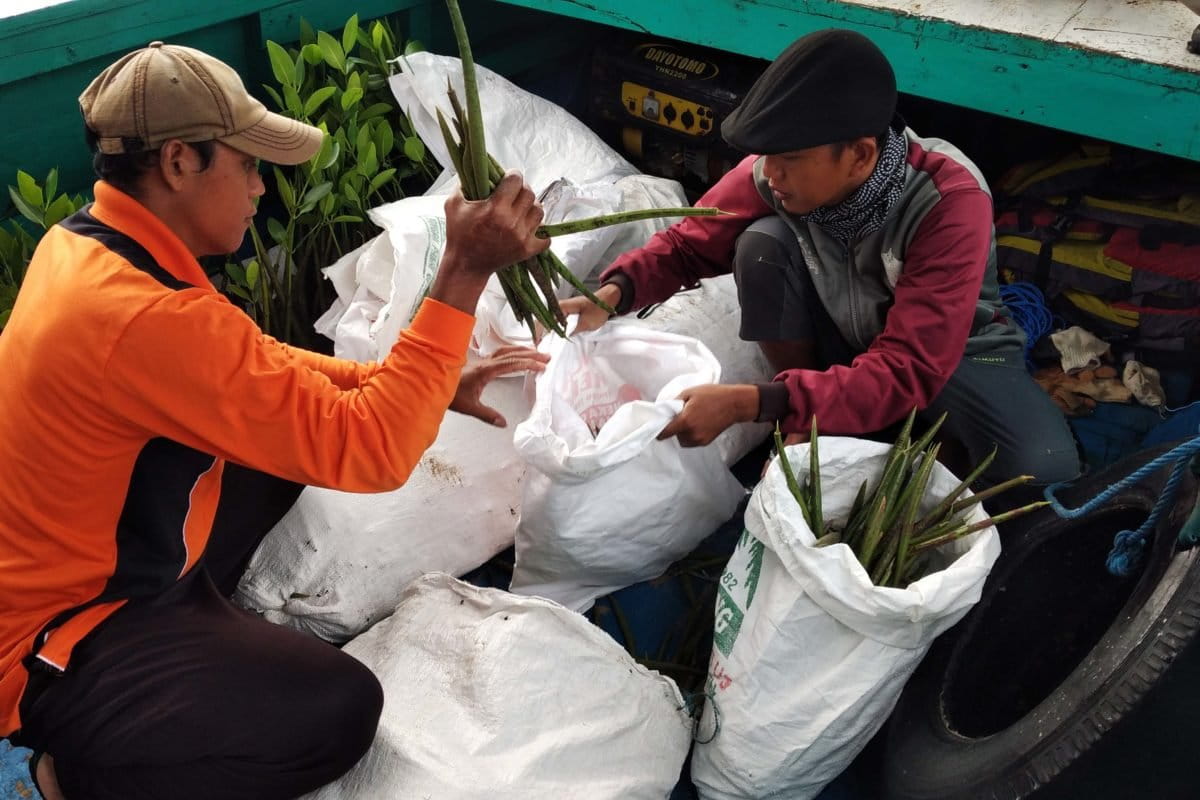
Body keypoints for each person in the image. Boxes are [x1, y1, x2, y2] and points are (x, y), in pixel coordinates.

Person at [0, 42, 550, 799]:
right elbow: (376, 453)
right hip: (50, 637)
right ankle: (68, 773)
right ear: (179, 162)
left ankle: (195, 640)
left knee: (281, 445)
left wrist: (421, 381)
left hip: (91, 557)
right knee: (336, 711)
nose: (261, 187)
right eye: (249, 164)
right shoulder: (146, 318)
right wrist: (461, 274)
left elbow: (262, 369)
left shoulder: (88, 244)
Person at [563, 28, 1080, 486]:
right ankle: (814, 419)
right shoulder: (774, 174)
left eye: (790, 159)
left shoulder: (948, 203)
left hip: (948, 355)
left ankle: (833, 414)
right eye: (767, 156)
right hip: (842, 335)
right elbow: (687, 243)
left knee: (1045, 464)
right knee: (761, 246)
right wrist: (612, 294)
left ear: (859, 154)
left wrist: (754, 402)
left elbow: (907, 367)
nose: (771, 173)